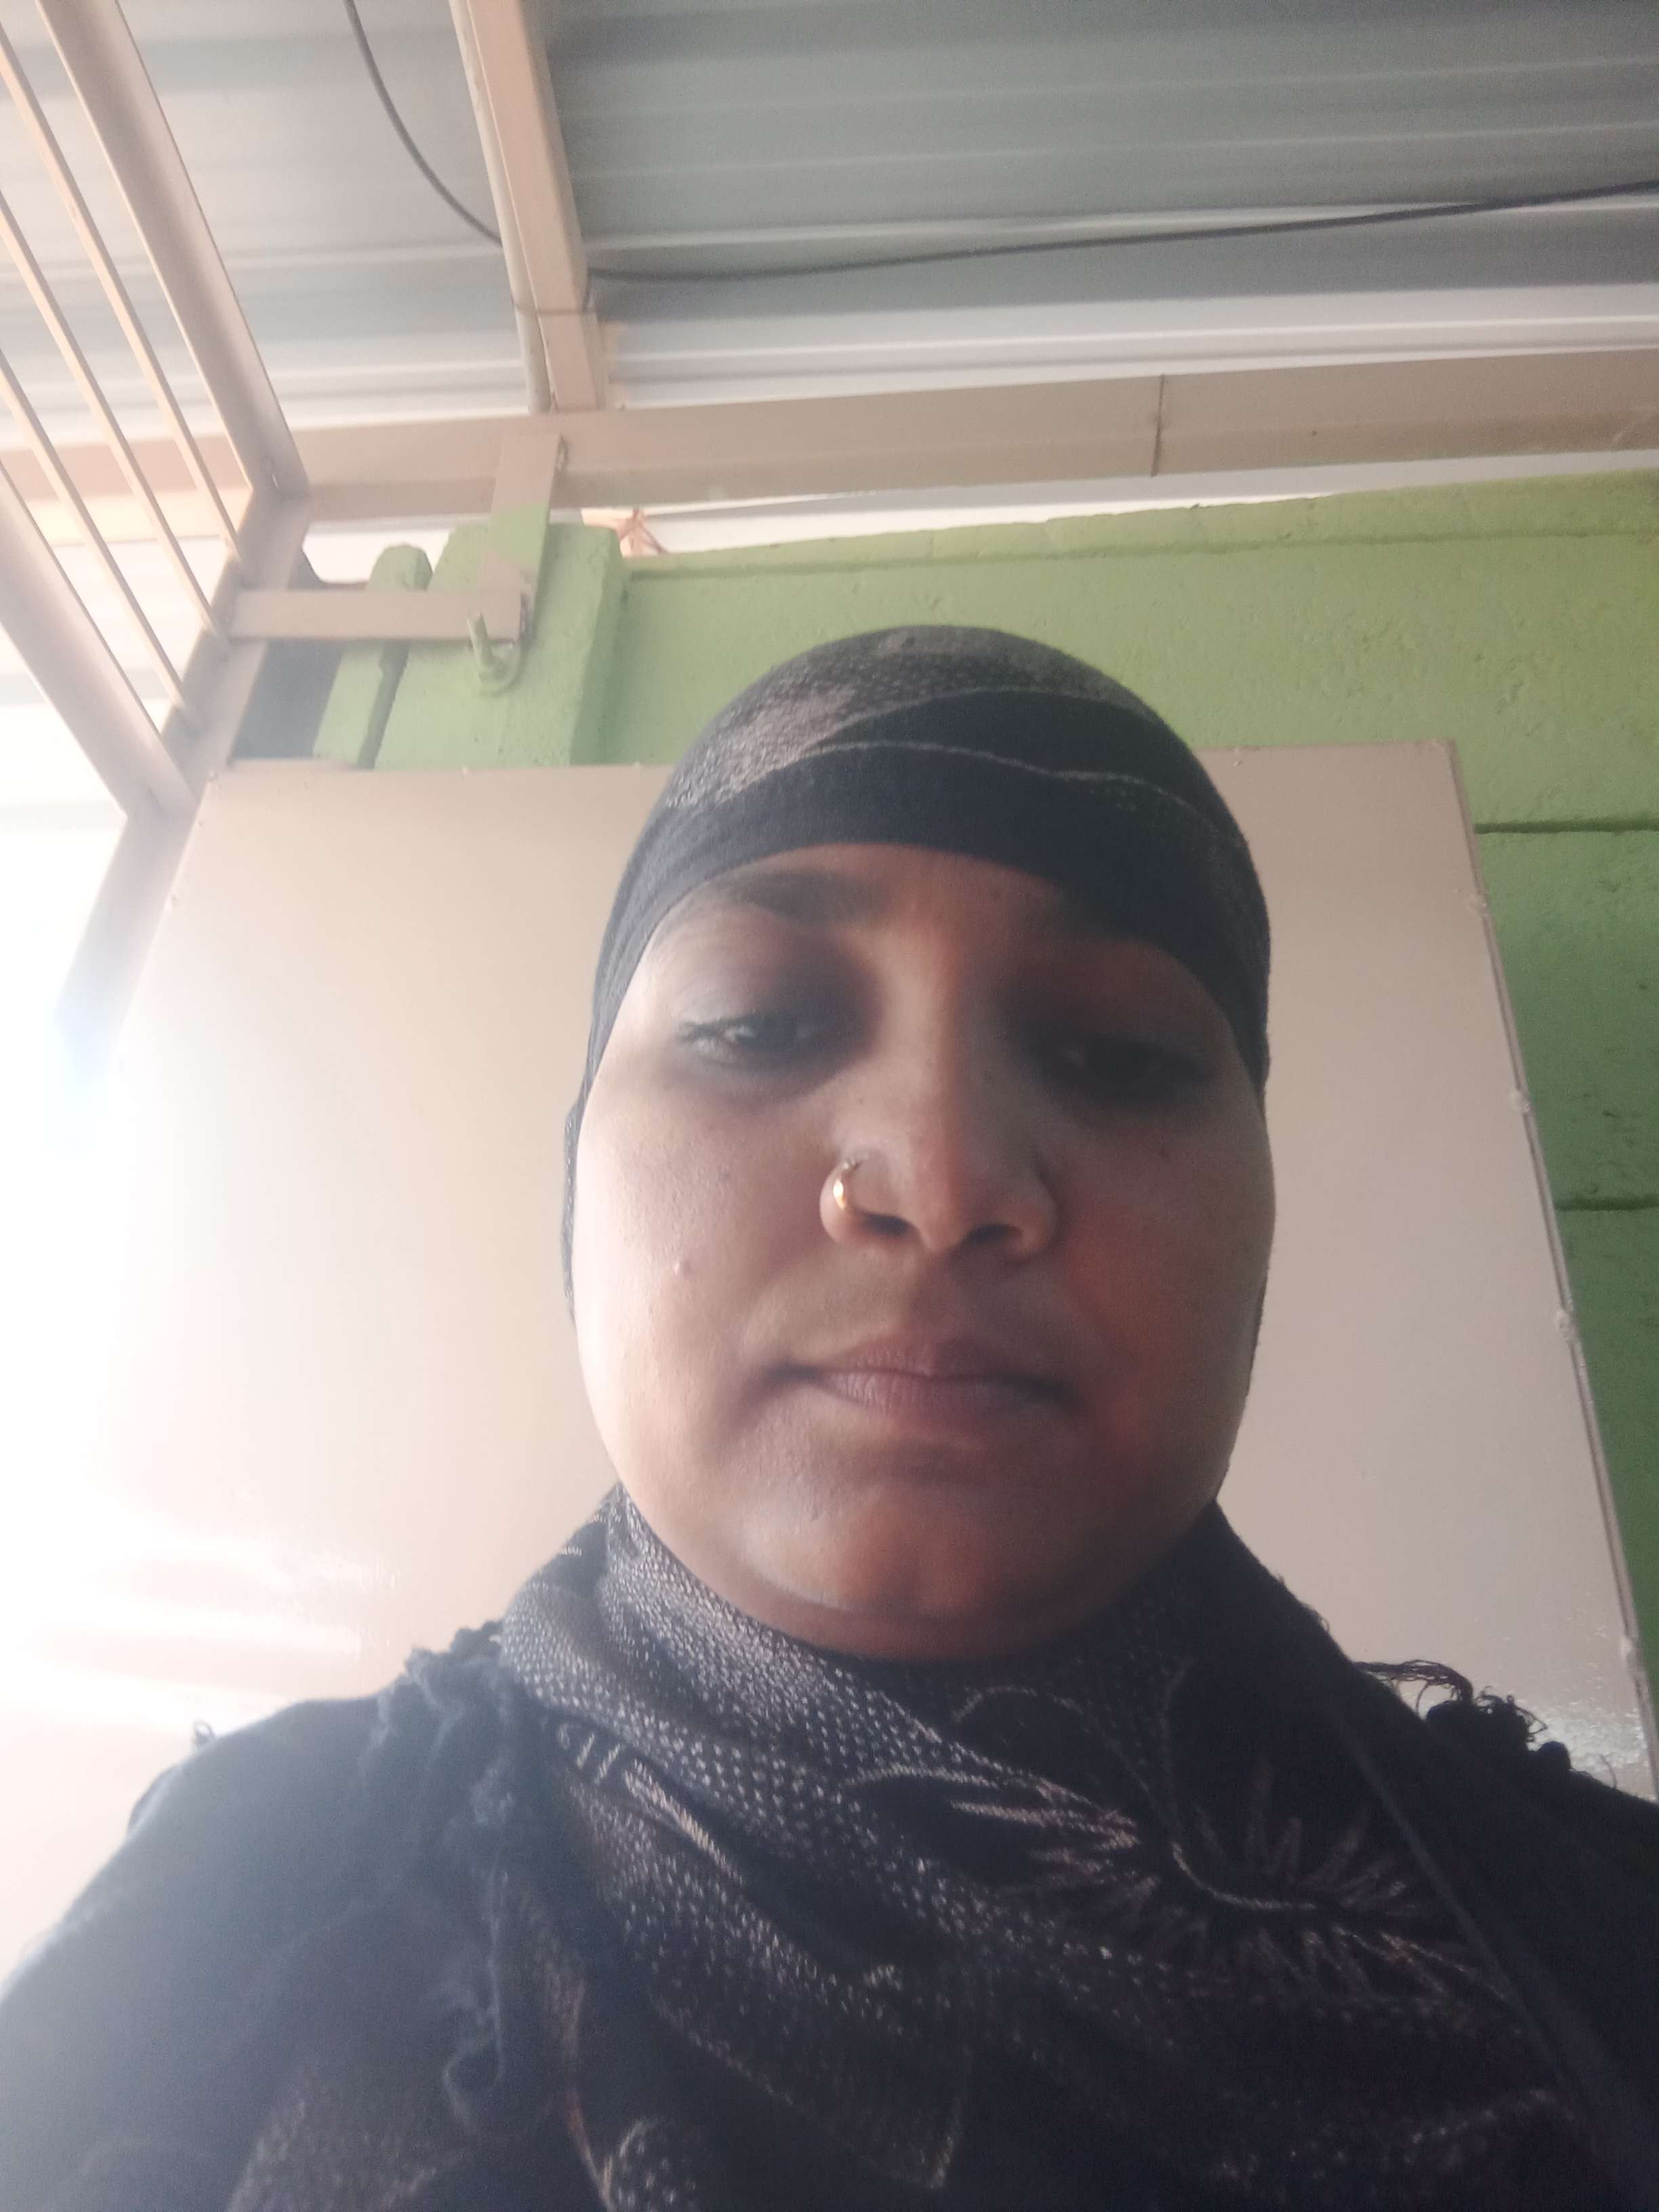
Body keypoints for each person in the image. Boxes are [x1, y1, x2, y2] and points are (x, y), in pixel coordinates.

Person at [3, 626, 1658, 2212]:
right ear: (577, 1187)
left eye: (1119, 1052)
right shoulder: (253, 1889)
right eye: (758, 1024)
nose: (941, 1173)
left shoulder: (1604, 1922)